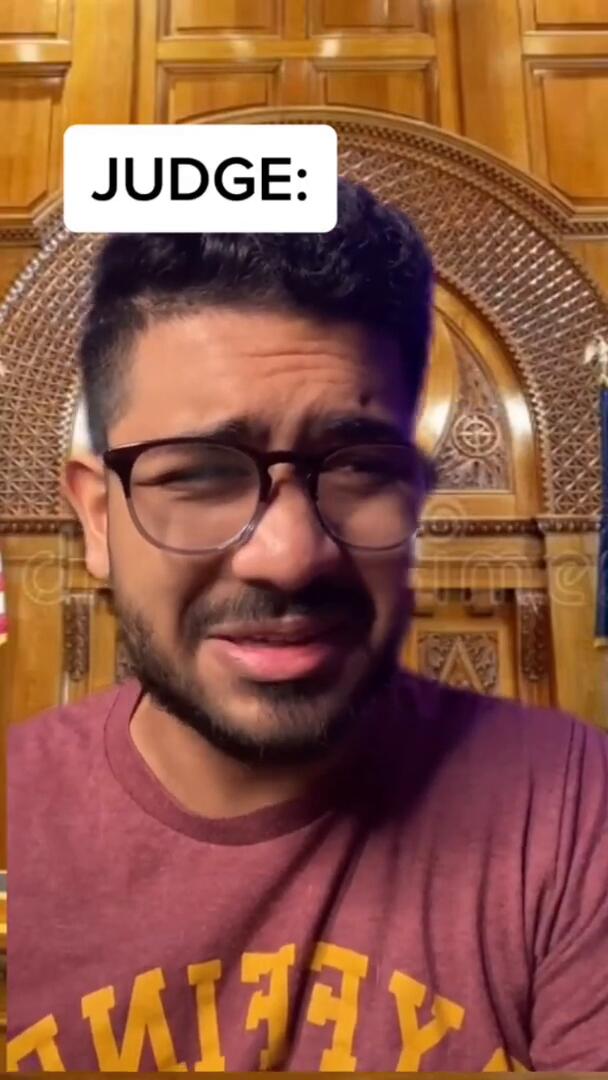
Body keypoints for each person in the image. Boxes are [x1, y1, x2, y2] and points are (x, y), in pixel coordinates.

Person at [7, 179, 607, 1073]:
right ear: (98, 520)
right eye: (199, 473)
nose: (290, 557)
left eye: (358, 466)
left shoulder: (567, 801)